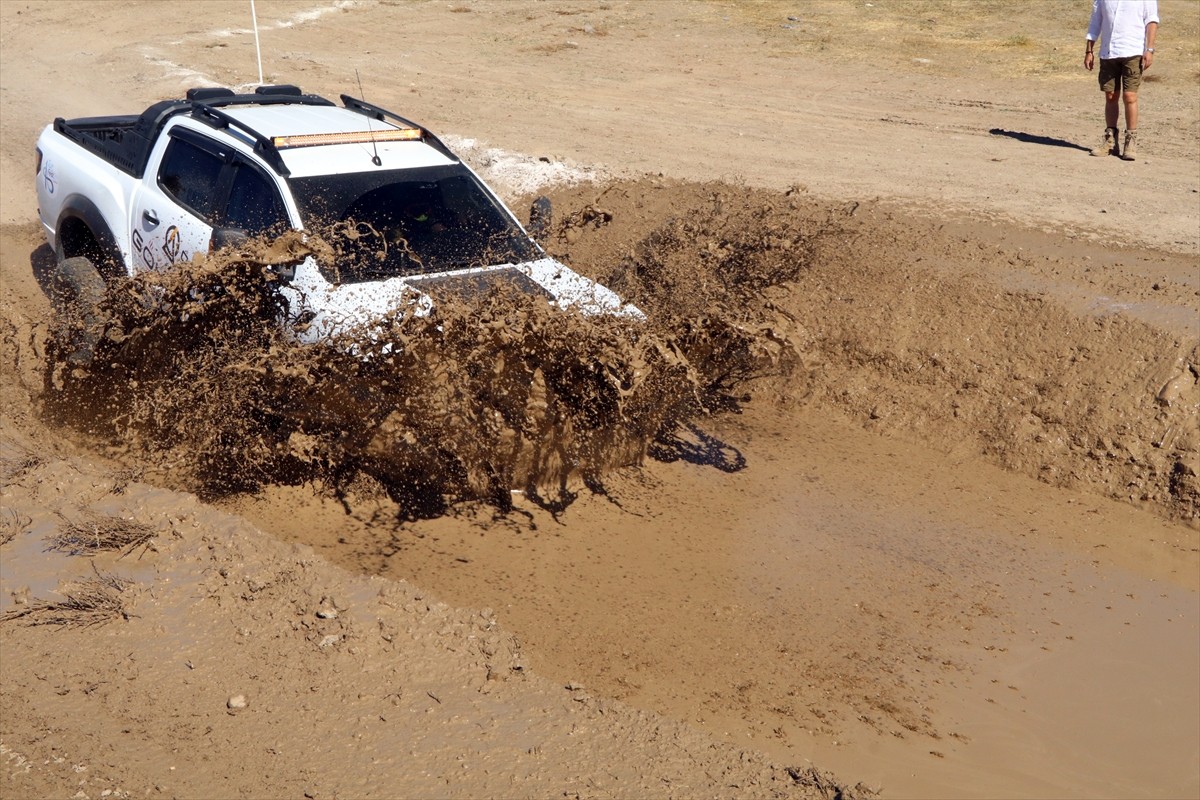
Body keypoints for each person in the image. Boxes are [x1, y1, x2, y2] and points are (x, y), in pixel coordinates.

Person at [1084, 0, 1159, 161]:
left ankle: (1131, 141)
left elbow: (1151, 20)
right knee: (1110, 96)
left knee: (1130, 96)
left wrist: (1150, 49)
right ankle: (1110, 140)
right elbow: (1096, 21)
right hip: (1108, 51)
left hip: (1133, 51)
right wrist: (1089, 50)